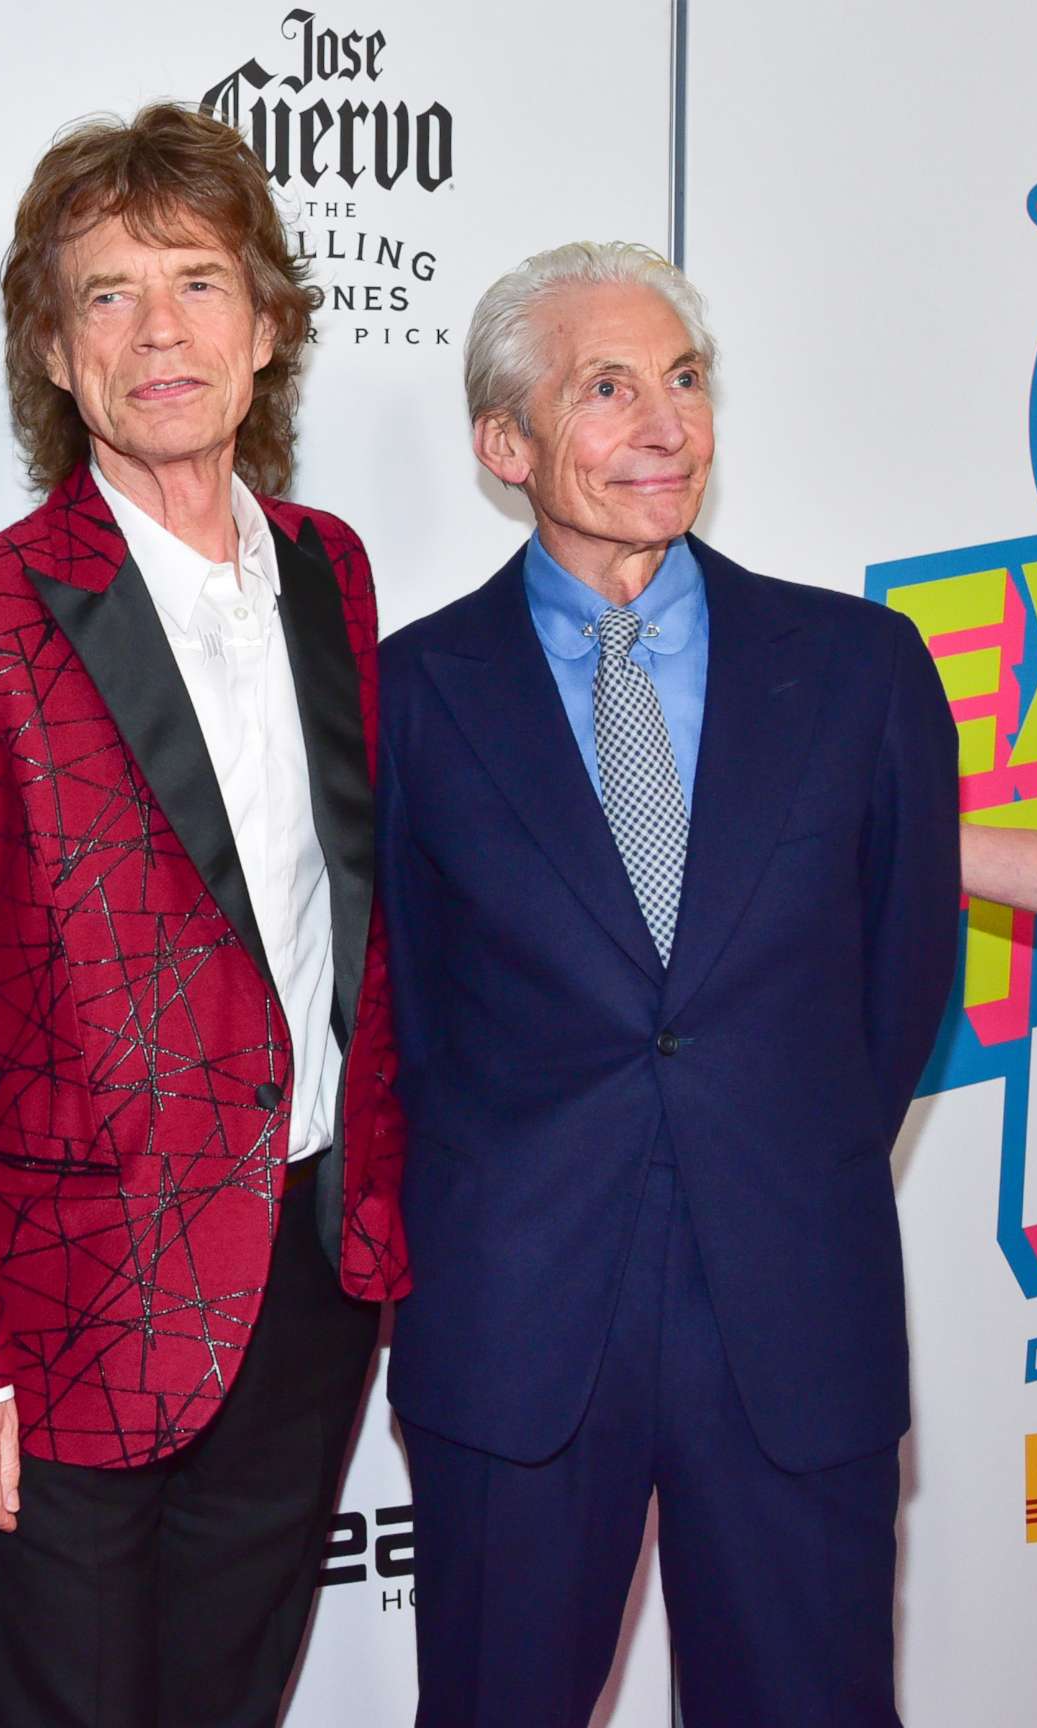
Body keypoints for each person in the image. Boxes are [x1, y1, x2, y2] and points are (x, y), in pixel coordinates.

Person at [0, 103, 411, 1728]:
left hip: (308, 1280)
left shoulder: (333, 572)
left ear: (268, 329)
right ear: (50, 345)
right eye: (108, 293)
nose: (158, 331)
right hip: (64, 1306)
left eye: (197, 283)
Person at [377, 241, 961, 1726]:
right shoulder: (408, 696)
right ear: (505, 445)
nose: (665, 425)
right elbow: (403, 1023)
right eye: (609, 388)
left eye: (686, 380)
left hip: (794, 1318)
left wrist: (775, 1155)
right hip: (515, 1327)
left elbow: (896, 994)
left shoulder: (861, 671)